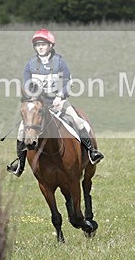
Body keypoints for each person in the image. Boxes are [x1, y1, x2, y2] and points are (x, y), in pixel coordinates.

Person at [7, 28, 104, 176]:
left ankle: (92, 152)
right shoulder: (30, 65)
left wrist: (60, 96)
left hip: (58, 102)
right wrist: (34, 99)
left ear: (51, 45)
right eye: (37, 45)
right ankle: (20, 164)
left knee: (78, 121)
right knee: (22, 130)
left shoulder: (60, 62)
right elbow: (27, 86)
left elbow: (68, 82)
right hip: (39, 105)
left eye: (43, 44)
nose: (40, 47)